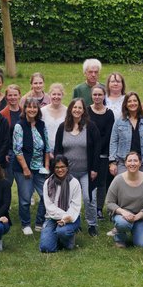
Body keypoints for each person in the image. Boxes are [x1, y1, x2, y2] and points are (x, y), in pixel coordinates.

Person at [54, 98, 101, 236]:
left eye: (80, 108)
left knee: (88, 198)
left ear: (83, 111)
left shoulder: (90, 127)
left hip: (87, 171)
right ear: (70, 109)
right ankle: (74, 222)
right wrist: (59, 169)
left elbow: (97, 148)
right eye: (74, 107)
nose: (77, 110)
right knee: (69, 199)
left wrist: (94, 169)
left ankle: (92, 224)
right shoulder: (63, 127)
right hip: (68, 172)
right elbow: (58, 149)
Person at [12, 97, 52, 235]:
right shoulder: (19, 125)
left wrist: (46, 166)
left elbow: (47, 147)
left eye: (35, 107)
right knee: (25, 199)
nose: (32, 110)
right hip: (24, 168)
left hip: (40, 167)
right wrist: (25, 168)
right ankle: (26, 224)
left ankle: (40, 222)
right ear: (25, 109)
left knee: (46, 196)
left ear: (38, 109)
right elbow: (17, 150)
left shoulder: (41, 124)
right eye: (29, 107)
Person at [105, 152, 143, 248]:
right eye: (129, 161)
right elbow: (109, 202)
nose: (132, 163)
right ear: (125, 163)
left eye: (135, 160)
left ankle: (134, 228)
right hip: (124, 216)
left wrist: (137, 217)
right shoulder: (118, 180)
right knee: (122, 223)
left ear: (140, 163)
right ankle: (120, 238)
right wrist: (123, 212)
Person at [39, 155, 82, 252]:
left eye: (62, 167)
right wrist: (64, 216)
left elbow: (75, 206)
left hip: (71, 217)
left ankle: (67, 238)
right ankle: (56, 238)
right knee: (46, 248)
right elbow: (49, 207)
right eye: (57, 167)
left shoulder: (74, 183)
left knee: (62, 232)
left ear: (67, 167)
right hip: (52, 217)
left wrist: (66, 219)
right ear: (53, 169)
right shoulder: (48, 183)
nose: (60, 170)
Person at [109, 92, 143, 177]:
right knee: (123, 188)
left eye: (135, 101)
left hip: (142, 164)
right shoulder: (119, 121)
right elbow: (113, 141)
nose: (132, 103)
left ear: (138, 103)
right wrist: (112, 162)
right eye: (129, 101)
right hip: (123, 163)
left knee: (140, 189)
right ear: (125, 104)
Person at [88, 85, 115, 220]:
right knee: (89, 181)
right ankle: (90, 207)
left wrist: (99, 146)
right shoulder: (87, 111)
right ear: (91, 96)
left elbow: (109, 134)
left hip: (104, 153)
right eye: (95, 95)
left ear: (104, 96)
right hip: (88, 152)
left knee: (101, 183)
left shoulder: (109, 113)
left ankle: (99, 209)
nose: (97, 97)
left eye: (100, 94)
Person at [41, 83, 67, 152]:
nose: (56, 97)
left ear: (62, 95)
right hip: (45, 150)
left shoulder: (68, 111)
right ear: (50, 95)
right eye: (54, 94)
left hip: (62, 150)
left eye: (59, 94)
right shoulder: (42, 111)